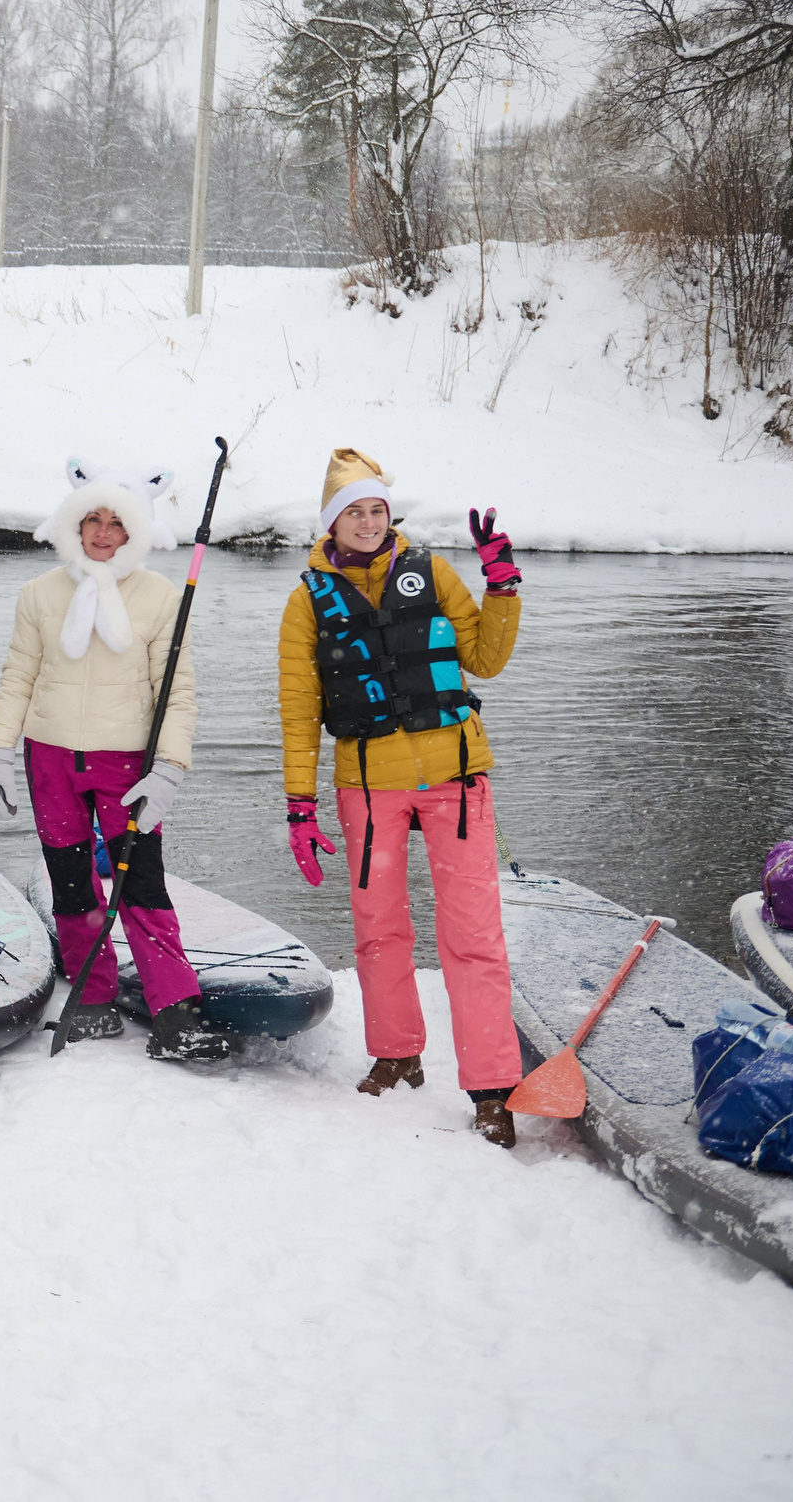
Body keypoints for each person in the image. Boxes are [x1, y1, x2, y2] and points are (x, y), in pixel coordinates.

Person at [276, 447, 526, 1148]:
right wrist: (301, 804)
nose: (366, 520)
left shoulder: (432, 571)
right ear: (332, 523)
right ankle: (397, 1050)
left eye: (375, 508)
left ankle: (491, 1087)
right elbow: (299, 709)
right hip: (367, 782)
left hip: (456, 777)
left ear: (390, 514)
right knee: (379, 927)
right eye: (352, 511)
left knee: (473, 938)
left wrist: (501, 584)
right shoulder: (306, 602)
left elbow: (486, 659)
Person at [0, 459, 228, 1060]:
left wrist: (169, 768)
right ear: (73, 524)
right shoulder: (39, 594)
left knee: (141, 883)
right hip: (50, 758)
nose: (101, 532)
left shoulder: (161, 596)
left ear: (133, 532)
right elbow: (19, 675)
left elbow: (179, 689)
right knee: (71, 884)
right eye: (90, 519)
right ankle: (93, 997)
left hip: (129, 765)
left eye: (115, 523)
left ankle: (175, 1009)